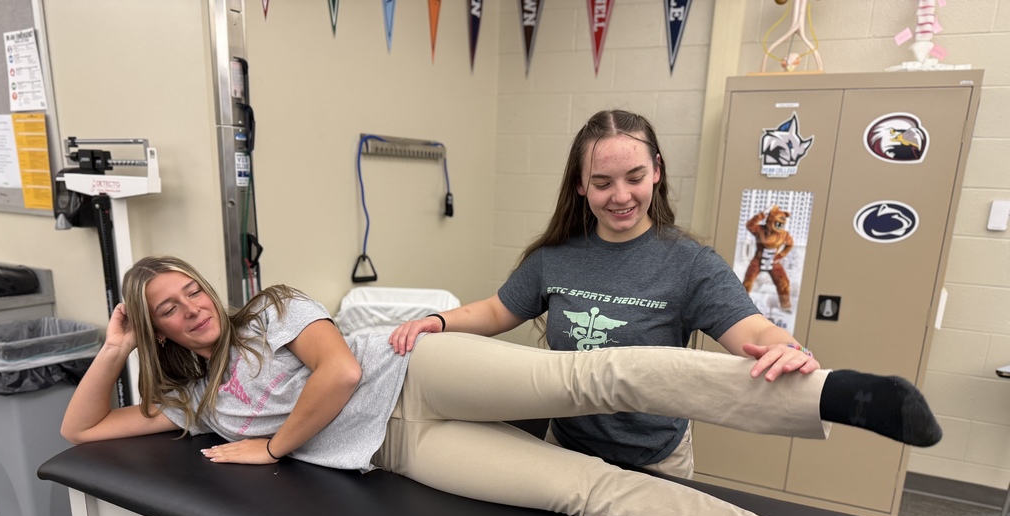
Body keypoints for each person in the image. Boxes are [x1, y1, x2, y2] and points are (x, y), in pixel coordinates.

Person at [62, 256, 942, 516]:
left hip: (421, 378)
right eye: (169, 310)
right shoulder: (190, 400)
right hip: (401, 453)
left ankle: (835, 393)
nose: (193, 310)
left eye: (192, 292)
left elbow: (332, 379)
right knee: (591, 493)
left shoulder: (274, 310)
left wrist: (271, 451)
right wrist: (111, 350)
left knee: (591, 378)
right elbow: (82, 431)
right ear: (155, 331)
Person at [390, 110, 934, 481]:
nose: (620, 195)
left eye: (634, 177)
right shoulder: (555, 258)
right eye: (602, 182)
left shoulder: (689, 263)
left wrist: (783, 344)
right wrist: (436, 323)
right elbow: (494, 311)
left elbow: (750, 330)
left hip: (657, 460)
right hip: (565, 452)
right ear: (580, 186)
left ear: (657, 173)